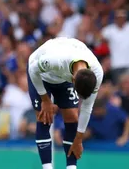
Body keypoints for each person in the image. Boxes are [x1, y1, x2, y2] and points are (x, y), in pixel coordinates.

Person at [27, 37, 103, 169]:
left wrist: (79, 138)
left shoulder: (97, 72)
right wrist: (45, 99)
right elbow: (33, 70)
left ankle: (71, 167)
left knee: (72, 117)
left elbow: (87, 108)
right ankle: (47, 167)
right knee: (45, 117)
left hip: (63, 75)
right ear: (73, 80)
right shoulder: (55, 59)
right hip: (42, 74)